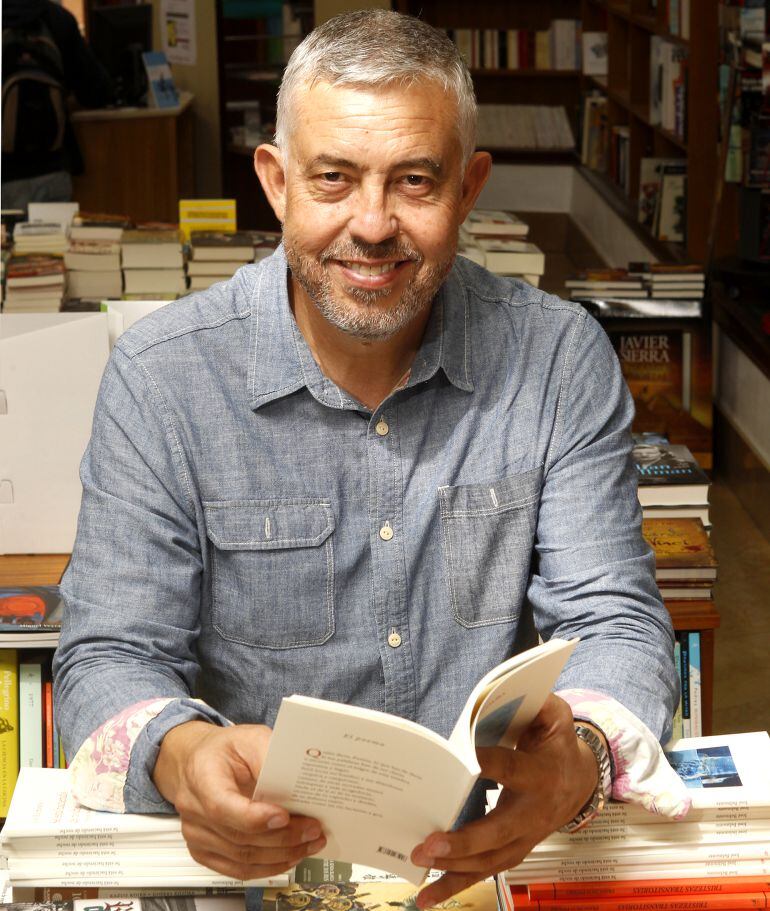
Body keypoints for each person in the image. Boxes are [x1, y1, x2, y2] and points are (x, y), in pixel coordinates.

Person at [53, 11, 688, 905]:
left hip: (485, 871)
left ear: (469, 189)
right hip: (257, 879)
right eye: (334, 179)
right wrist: (180, 752)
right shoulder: (164, 380)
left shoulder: (557, 360)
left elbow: (617, 619)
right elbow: (107, 654)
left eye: (415, 181)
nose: (374, 224)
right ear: (276, 184)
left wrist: (581, 750)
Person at [1, 0, 114, 213]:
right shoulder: (57, 19)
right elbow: (97, 92)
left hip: (4, 173)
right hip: (51, 169)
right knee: (54, 245)